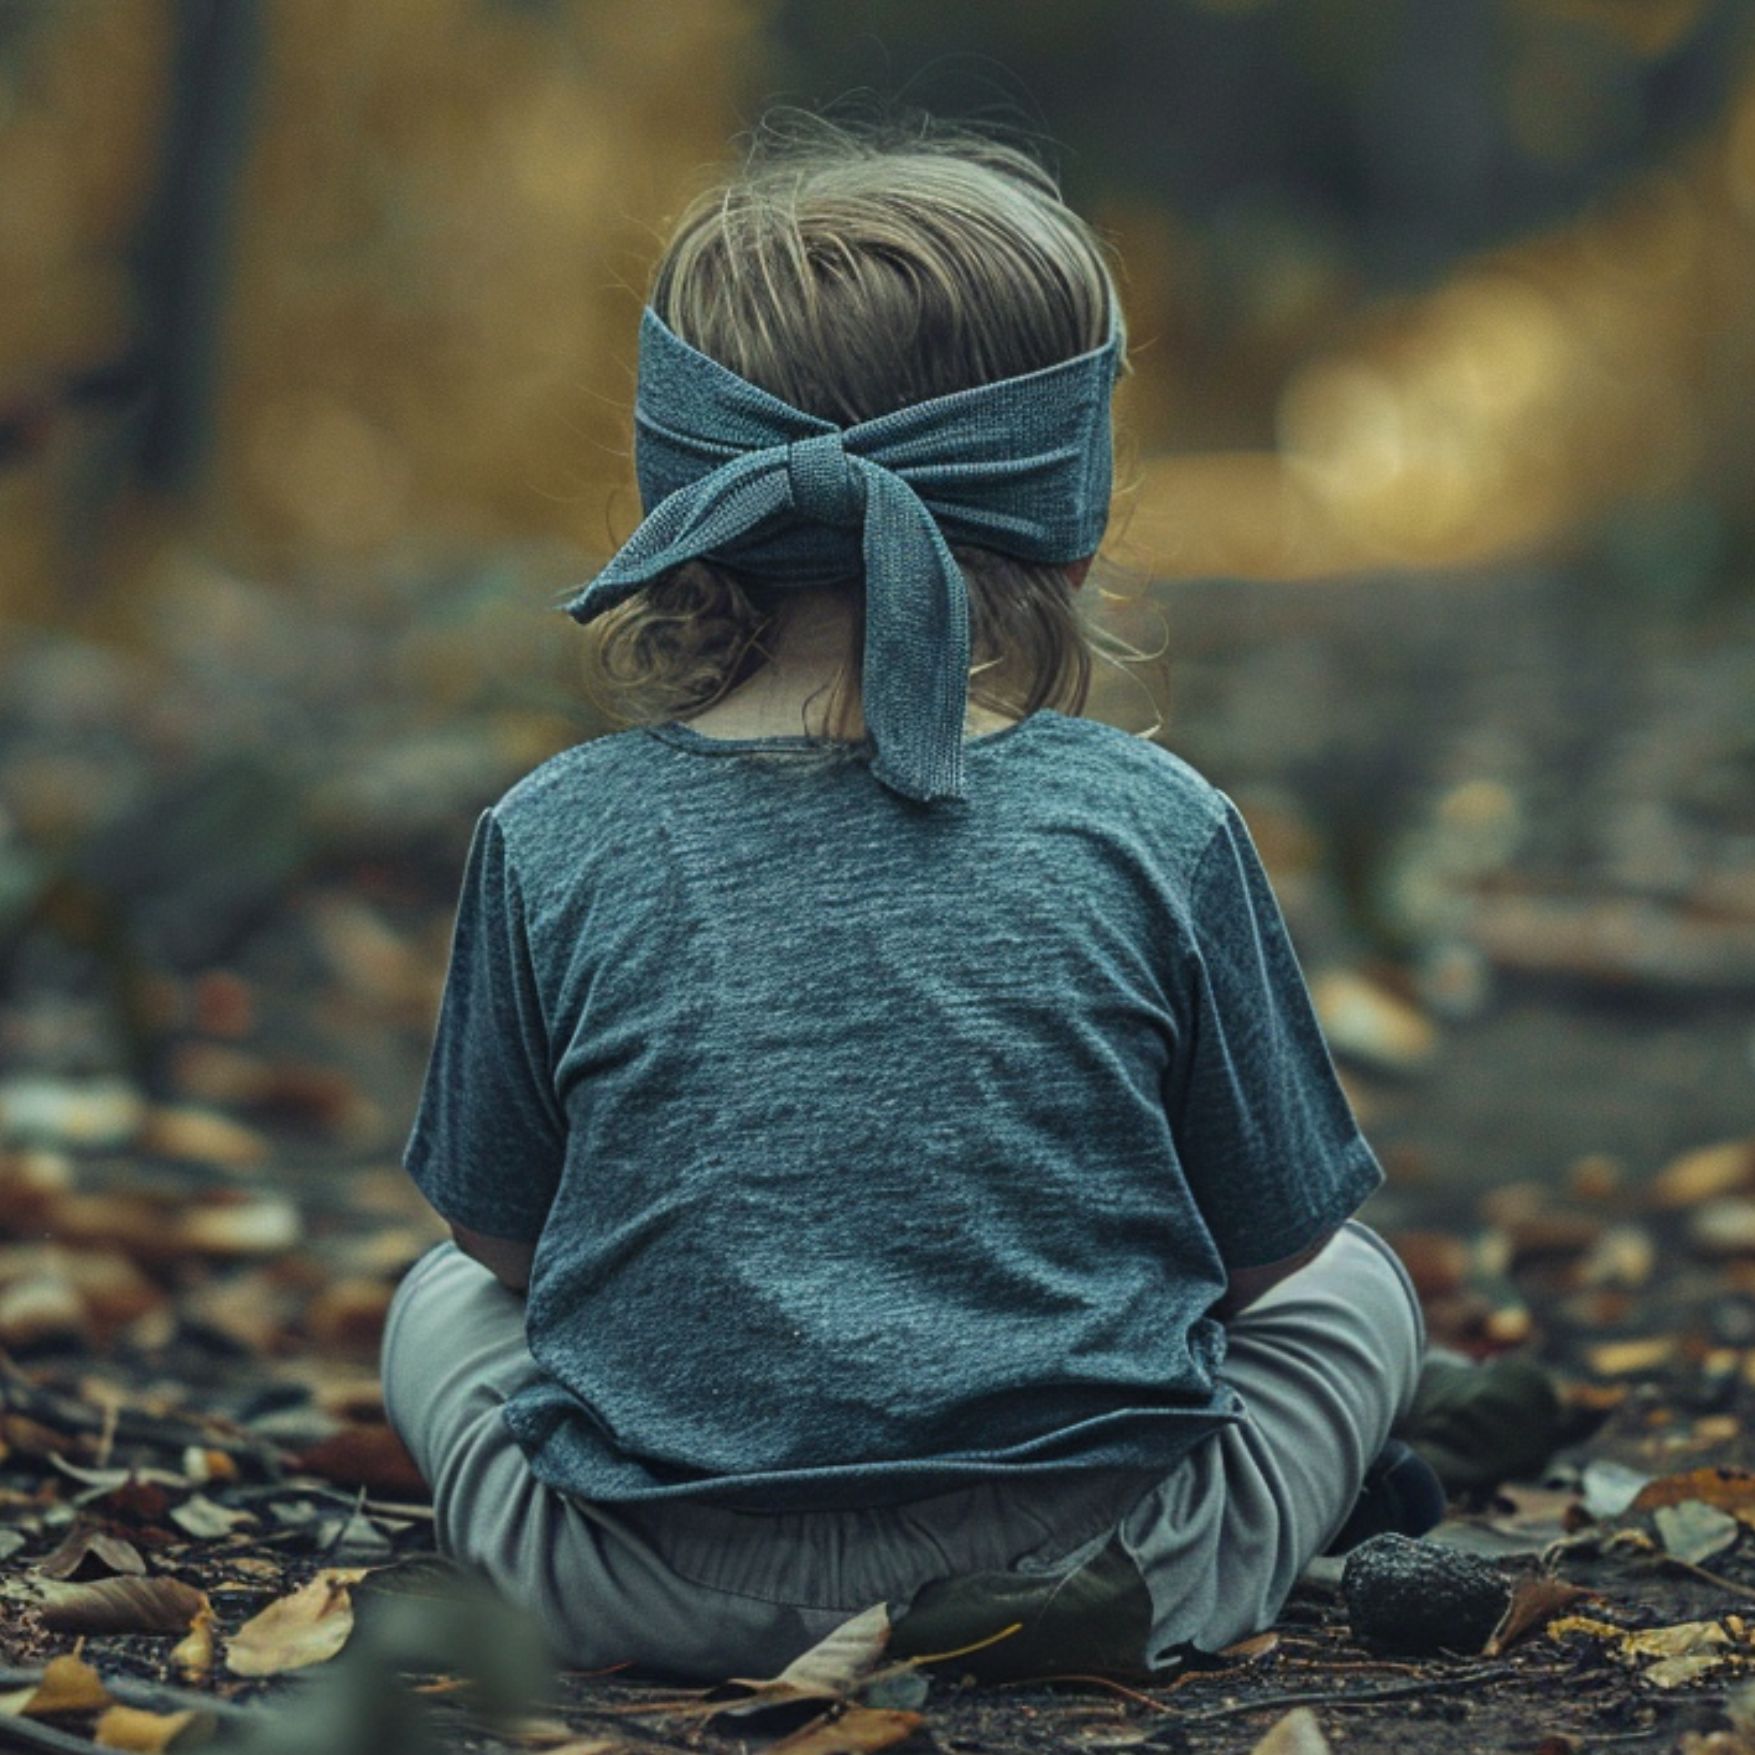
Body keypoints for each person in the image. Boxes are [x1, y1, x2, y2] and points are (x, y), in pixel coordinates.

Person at [380, 108, 1445, 1685]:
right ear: (1063, 524)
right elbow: (1270, 1254)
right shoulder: (1158, 824)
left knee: (434, 1304)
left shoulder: (550, 834)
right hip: (1098, 1570)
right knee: (1360, 1288)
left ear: (682, 506)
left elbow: (503, 1242)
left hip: (639, 1585)